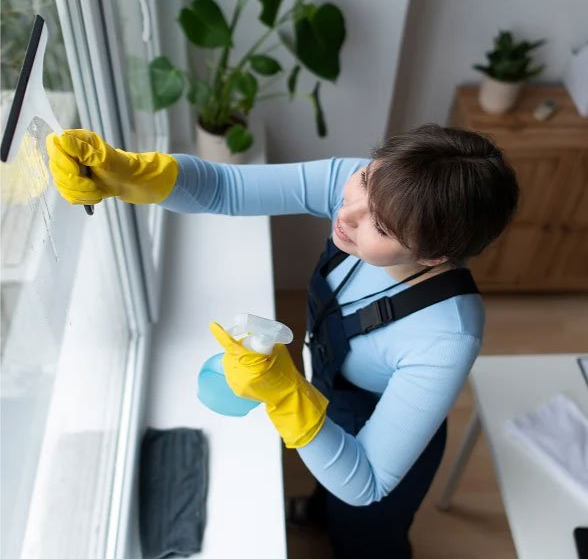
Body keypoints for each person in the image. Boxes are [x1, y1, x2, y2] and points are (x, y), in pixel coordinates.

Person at [46, 124, 519, 558]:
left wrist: (286, 394)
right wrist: (128, 173)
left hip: (382, 435)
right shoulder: (364, 187)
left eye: (381, 225)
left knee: (365, 536)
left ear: (434, 256)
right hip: (331, 392)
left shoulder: (448, 334)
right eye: (368, 181)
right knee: (326, 493)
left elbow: (368, 480)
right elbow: (224, 188)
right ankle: (316, 513)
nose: (348, 213)